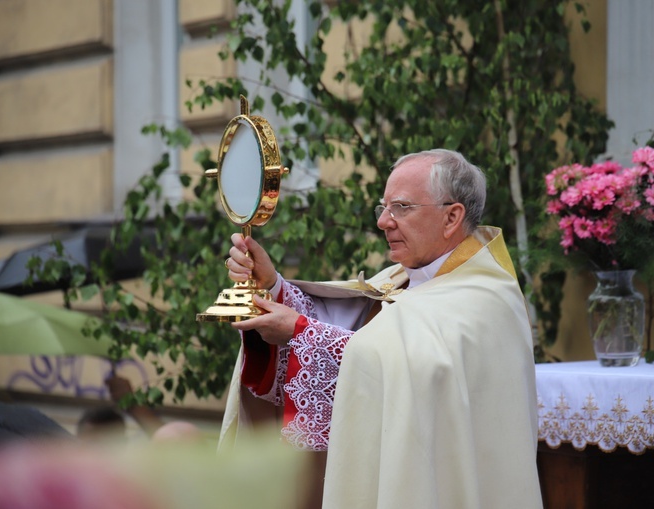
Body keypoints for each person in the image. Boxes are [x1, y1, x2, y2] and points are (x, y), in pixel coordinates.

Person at [219, 149, 542, 508]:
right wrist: (275, 286)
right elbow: (353, 328)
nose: (383, 222)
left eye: (401, 208)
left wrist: (299, 332)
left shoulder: (487, 299)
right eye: (383, 208)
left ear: (452, 217)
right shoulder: (398, 277)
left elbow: (409, 367)